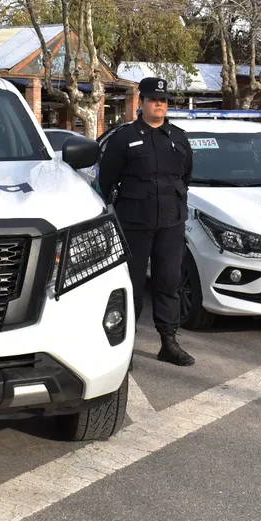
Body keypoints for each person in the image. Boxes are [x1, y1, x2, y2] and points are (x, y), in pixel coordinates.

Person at [97, 77, 195, 366]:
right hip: (134, 223)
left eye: (163, 100)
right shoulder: (124, 138)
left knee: (168, 282)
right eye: (153, 99)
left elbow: (185, 177)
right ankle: (124, 346)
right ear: (141, 102)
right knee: (132, 286)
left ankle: (169, 342)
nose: (159, 104)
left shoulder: (178, 137)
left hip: (171, 223)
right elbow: (107, 180)